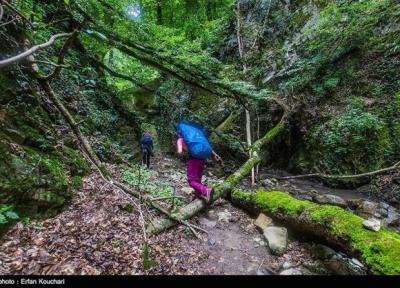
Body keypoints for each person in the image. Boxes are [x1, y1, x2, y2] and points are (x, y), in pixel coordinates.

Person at [176, 133, 222, 204]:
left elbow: (180, 152)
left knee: (191, 181)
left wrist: (180, 153)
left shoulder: (181, 140)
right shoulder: (196, 138)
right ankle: (197, 196)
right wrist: (215, 155)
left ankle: (206, 190)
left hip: (193, 160)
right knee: (197, 180)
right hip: (202, 160)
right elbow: (207, 147)